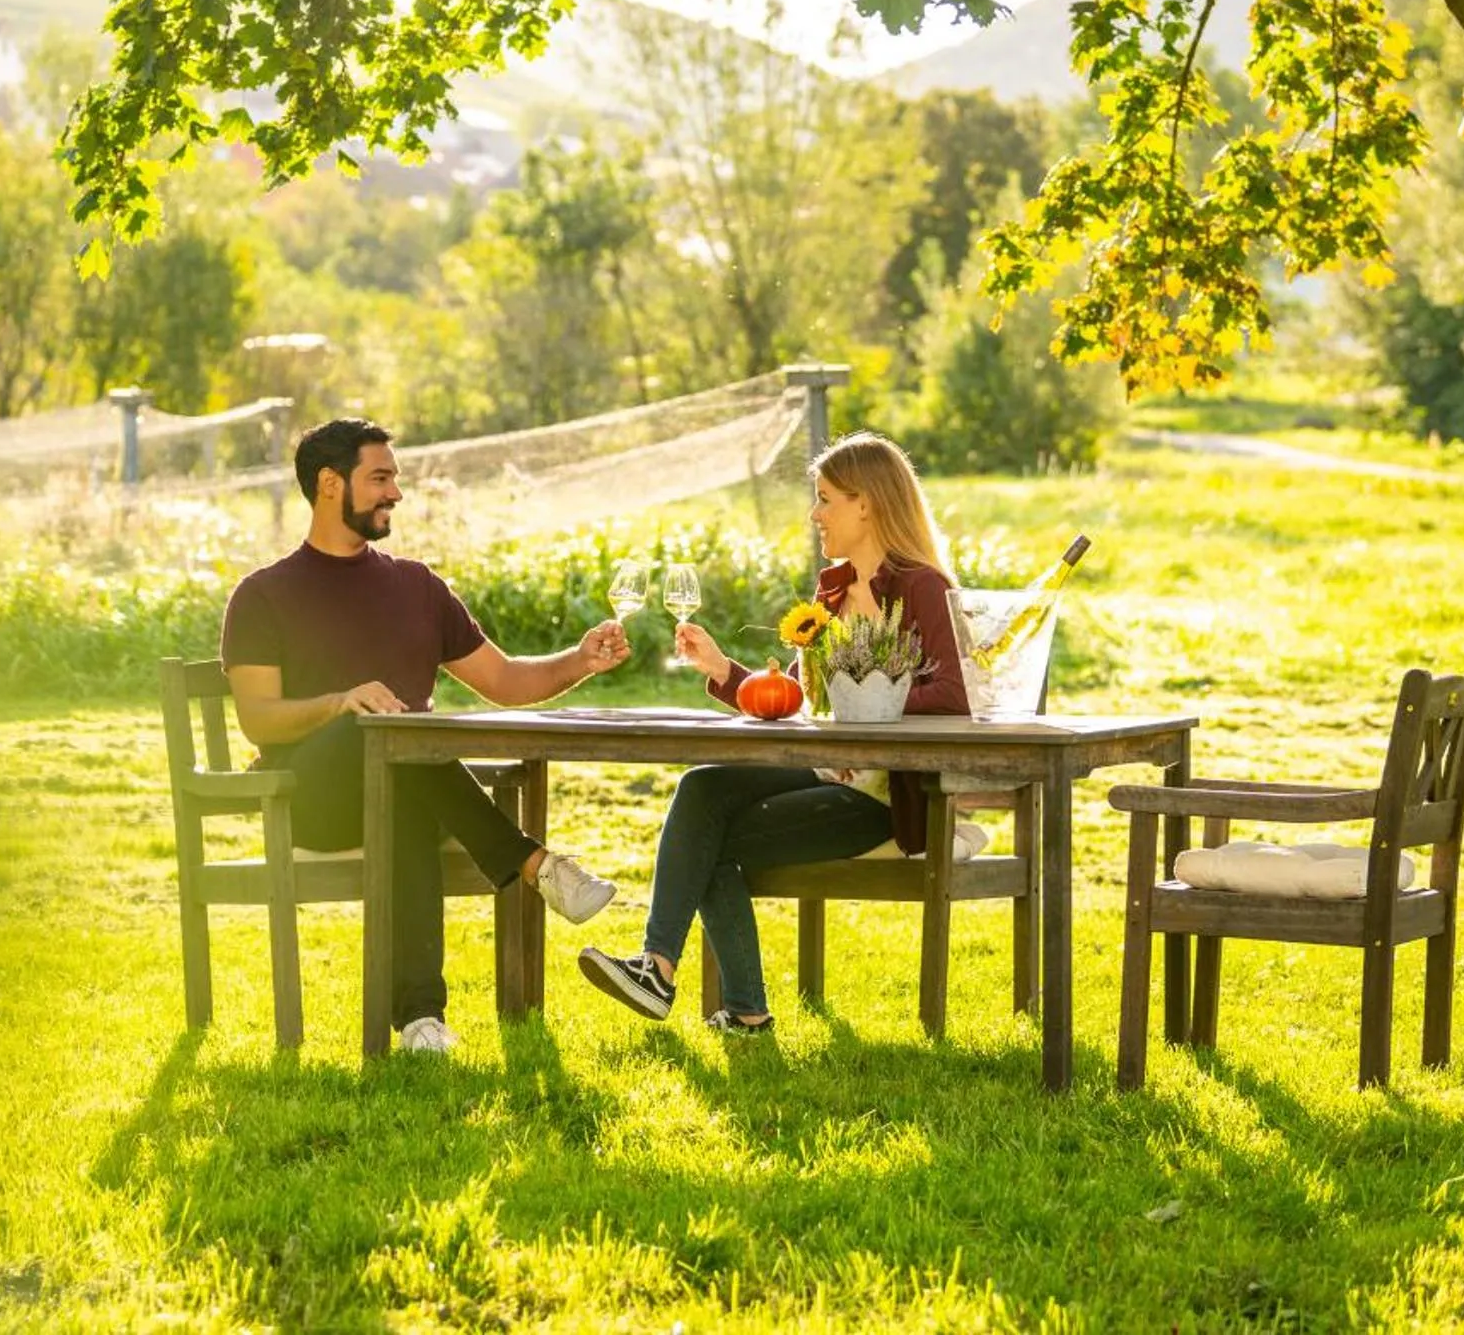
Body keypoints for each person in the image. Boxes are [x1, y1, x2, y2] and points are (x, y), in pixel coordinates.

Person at [222, 416, 629, 1054]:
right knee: (381, 733)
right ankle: (534, 863)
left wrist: (581, 660)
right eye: (380, 478)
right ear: (330, 484)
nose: (396, 493)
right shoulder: (263, 595)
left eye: (395, 479)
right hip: (312, 803)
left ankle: (421, 1023)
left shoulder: (417, 586)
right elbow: (258, 719)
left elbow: (505, 680)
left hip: (410, 789)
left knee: (402, 778)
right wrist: (338, 703)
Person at [577, 431, 970, 1034]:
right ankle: (668, 976)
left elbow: (953, 696)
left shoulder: (922, 588)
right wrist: (723, 672)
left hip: (885, 800)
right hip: (821, 771)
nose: (815, 513)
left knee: (713, 842)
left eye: (826, 499)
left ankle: (721, 1000)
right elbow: (795, 698)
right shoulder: (832, 591)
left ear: (866, 504)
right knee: (703, 788)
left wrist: (855, 720)